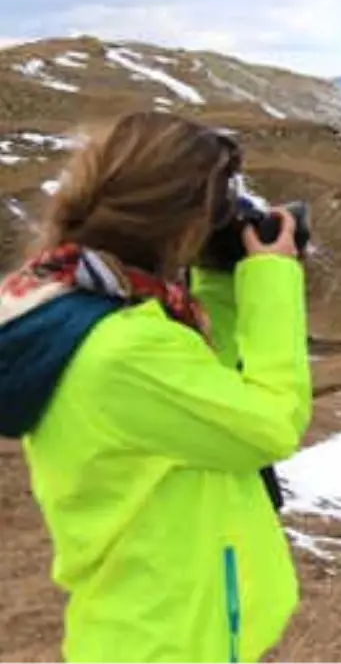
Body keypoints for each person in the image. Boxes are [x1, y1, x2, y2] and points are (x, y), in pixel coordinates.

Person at [0, 111, 312, 663]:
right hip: (166, 642)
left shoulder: (91, 313)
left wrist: (216, 278)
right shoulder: (124, 351)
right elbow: (270, 422)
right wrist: (273, 279)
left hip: (166, 627)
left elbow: (205, 391)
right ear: (179, 220)